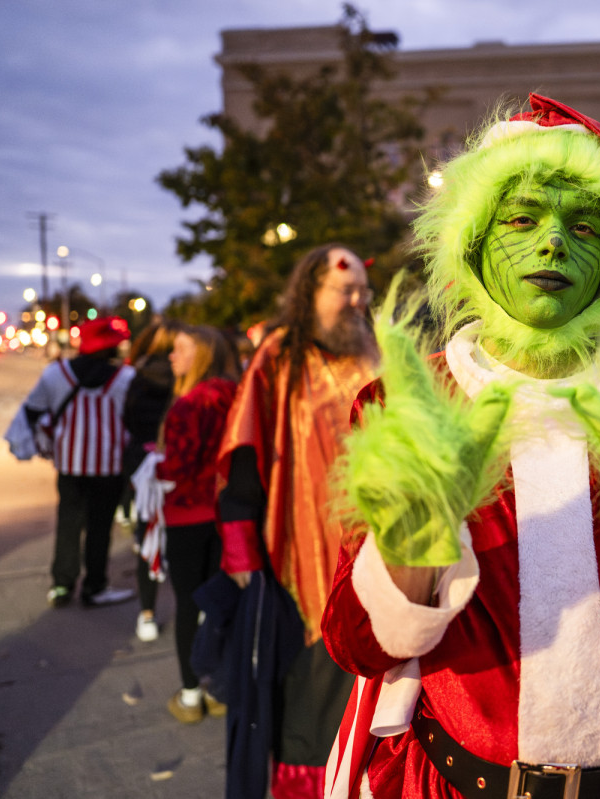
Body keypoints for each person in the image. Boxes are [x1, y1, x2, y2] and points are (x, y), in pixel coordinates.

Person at [320, 93, 600, 799]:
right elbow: (354, 641)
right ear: (473, 242)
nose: (553, 241)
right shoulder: (410, 402)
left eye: (583, 225)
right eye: (522, 218)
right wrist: (408, 554)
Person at [216, 243, 379, 797]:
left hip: (377, 561)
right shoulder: (279, 357)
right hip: (298, 563)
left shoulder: (375, 352)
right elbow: (243, 455)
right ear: (310, 293)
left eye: (362, 290)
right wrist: (241, 553)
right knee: (306, 708)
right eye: (344, 290)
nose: (357, 301)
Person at [150, 324, 241, 723]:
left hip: (188, 516)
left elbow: (179, 467)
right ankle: (221, 686)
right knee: (221, 602)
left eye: (181, 348)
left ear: (201, 354)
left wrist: (155, 465)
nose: (172, 356)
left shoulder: (190, 405)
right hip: (228, 516)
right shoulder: (236, 395)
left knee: (188, 605)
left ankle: (191, 694)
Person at [20, 316, 137, 608]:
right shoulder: (125, 378)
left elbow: (33, 411)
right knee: (99, 528)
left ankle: (62, 584)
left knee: (68, 524)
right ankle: (94, 586)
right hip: (109, 466)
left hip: (70, 464)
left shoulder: (55, 373)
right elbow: (136, 422)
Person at [122, 318, 183, 641]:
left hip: (143, 465)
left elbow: (127, 418)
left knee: (148, 536)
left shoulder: (138, 376)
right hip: (178, 465)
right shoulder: (186, 379)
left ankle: (147, 613)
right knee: (184, 539)